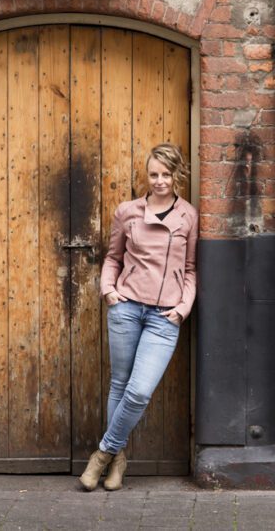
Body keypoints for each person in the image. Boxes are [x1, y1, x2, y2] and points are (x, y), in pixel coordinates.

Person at [79, 143, 198, 492]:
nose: (160, 181)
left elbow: (190, 269)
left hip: (165, 317)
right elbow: (113, 258)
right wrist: (109, 292)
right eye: (154, 174)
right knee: (120, 384)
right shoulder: (127, 211)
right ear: (146, 176)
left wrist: (183, 307)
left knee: (139, 391)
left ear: (178, 176)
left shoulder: (188, 216)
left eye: (166, 174)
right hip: (126, 307)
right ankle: (119, 461)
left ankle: (102, 454)